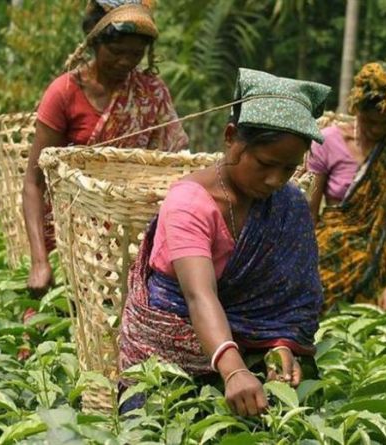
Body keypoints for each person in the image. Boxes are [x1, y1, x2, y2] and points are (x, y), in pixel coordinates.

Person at [118, 68, 330, 417]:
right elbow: (198, 295)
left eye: (289, 169)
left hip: (249, 345)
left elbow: (293, 298)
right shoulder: (189, 203)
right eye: (265, 163)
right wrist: (234, 370)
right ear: (231, 137)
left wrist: (281, 347)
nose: (276, 179)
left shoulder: (288, 204)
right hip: (174, 349)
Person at [22, 0, 188, 300]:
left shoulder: (152, 93)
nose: (125, 62)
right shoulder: (65, 92)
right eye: (116, 51)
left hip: (132, 235)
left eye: (135, 54)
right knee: (51, 324)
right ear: (94, 42)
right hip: (73, 236)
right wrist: (39, 261)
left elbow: (172, 163)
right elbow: (33, 184)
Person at [308, 62, 386, 311]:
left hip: (382, 264)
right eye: (370, 122)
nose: (377, 130)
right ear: (357, 111)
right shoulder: (328, 141)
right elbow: (309, 213)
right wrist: (304, 266)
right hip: (328, 258)